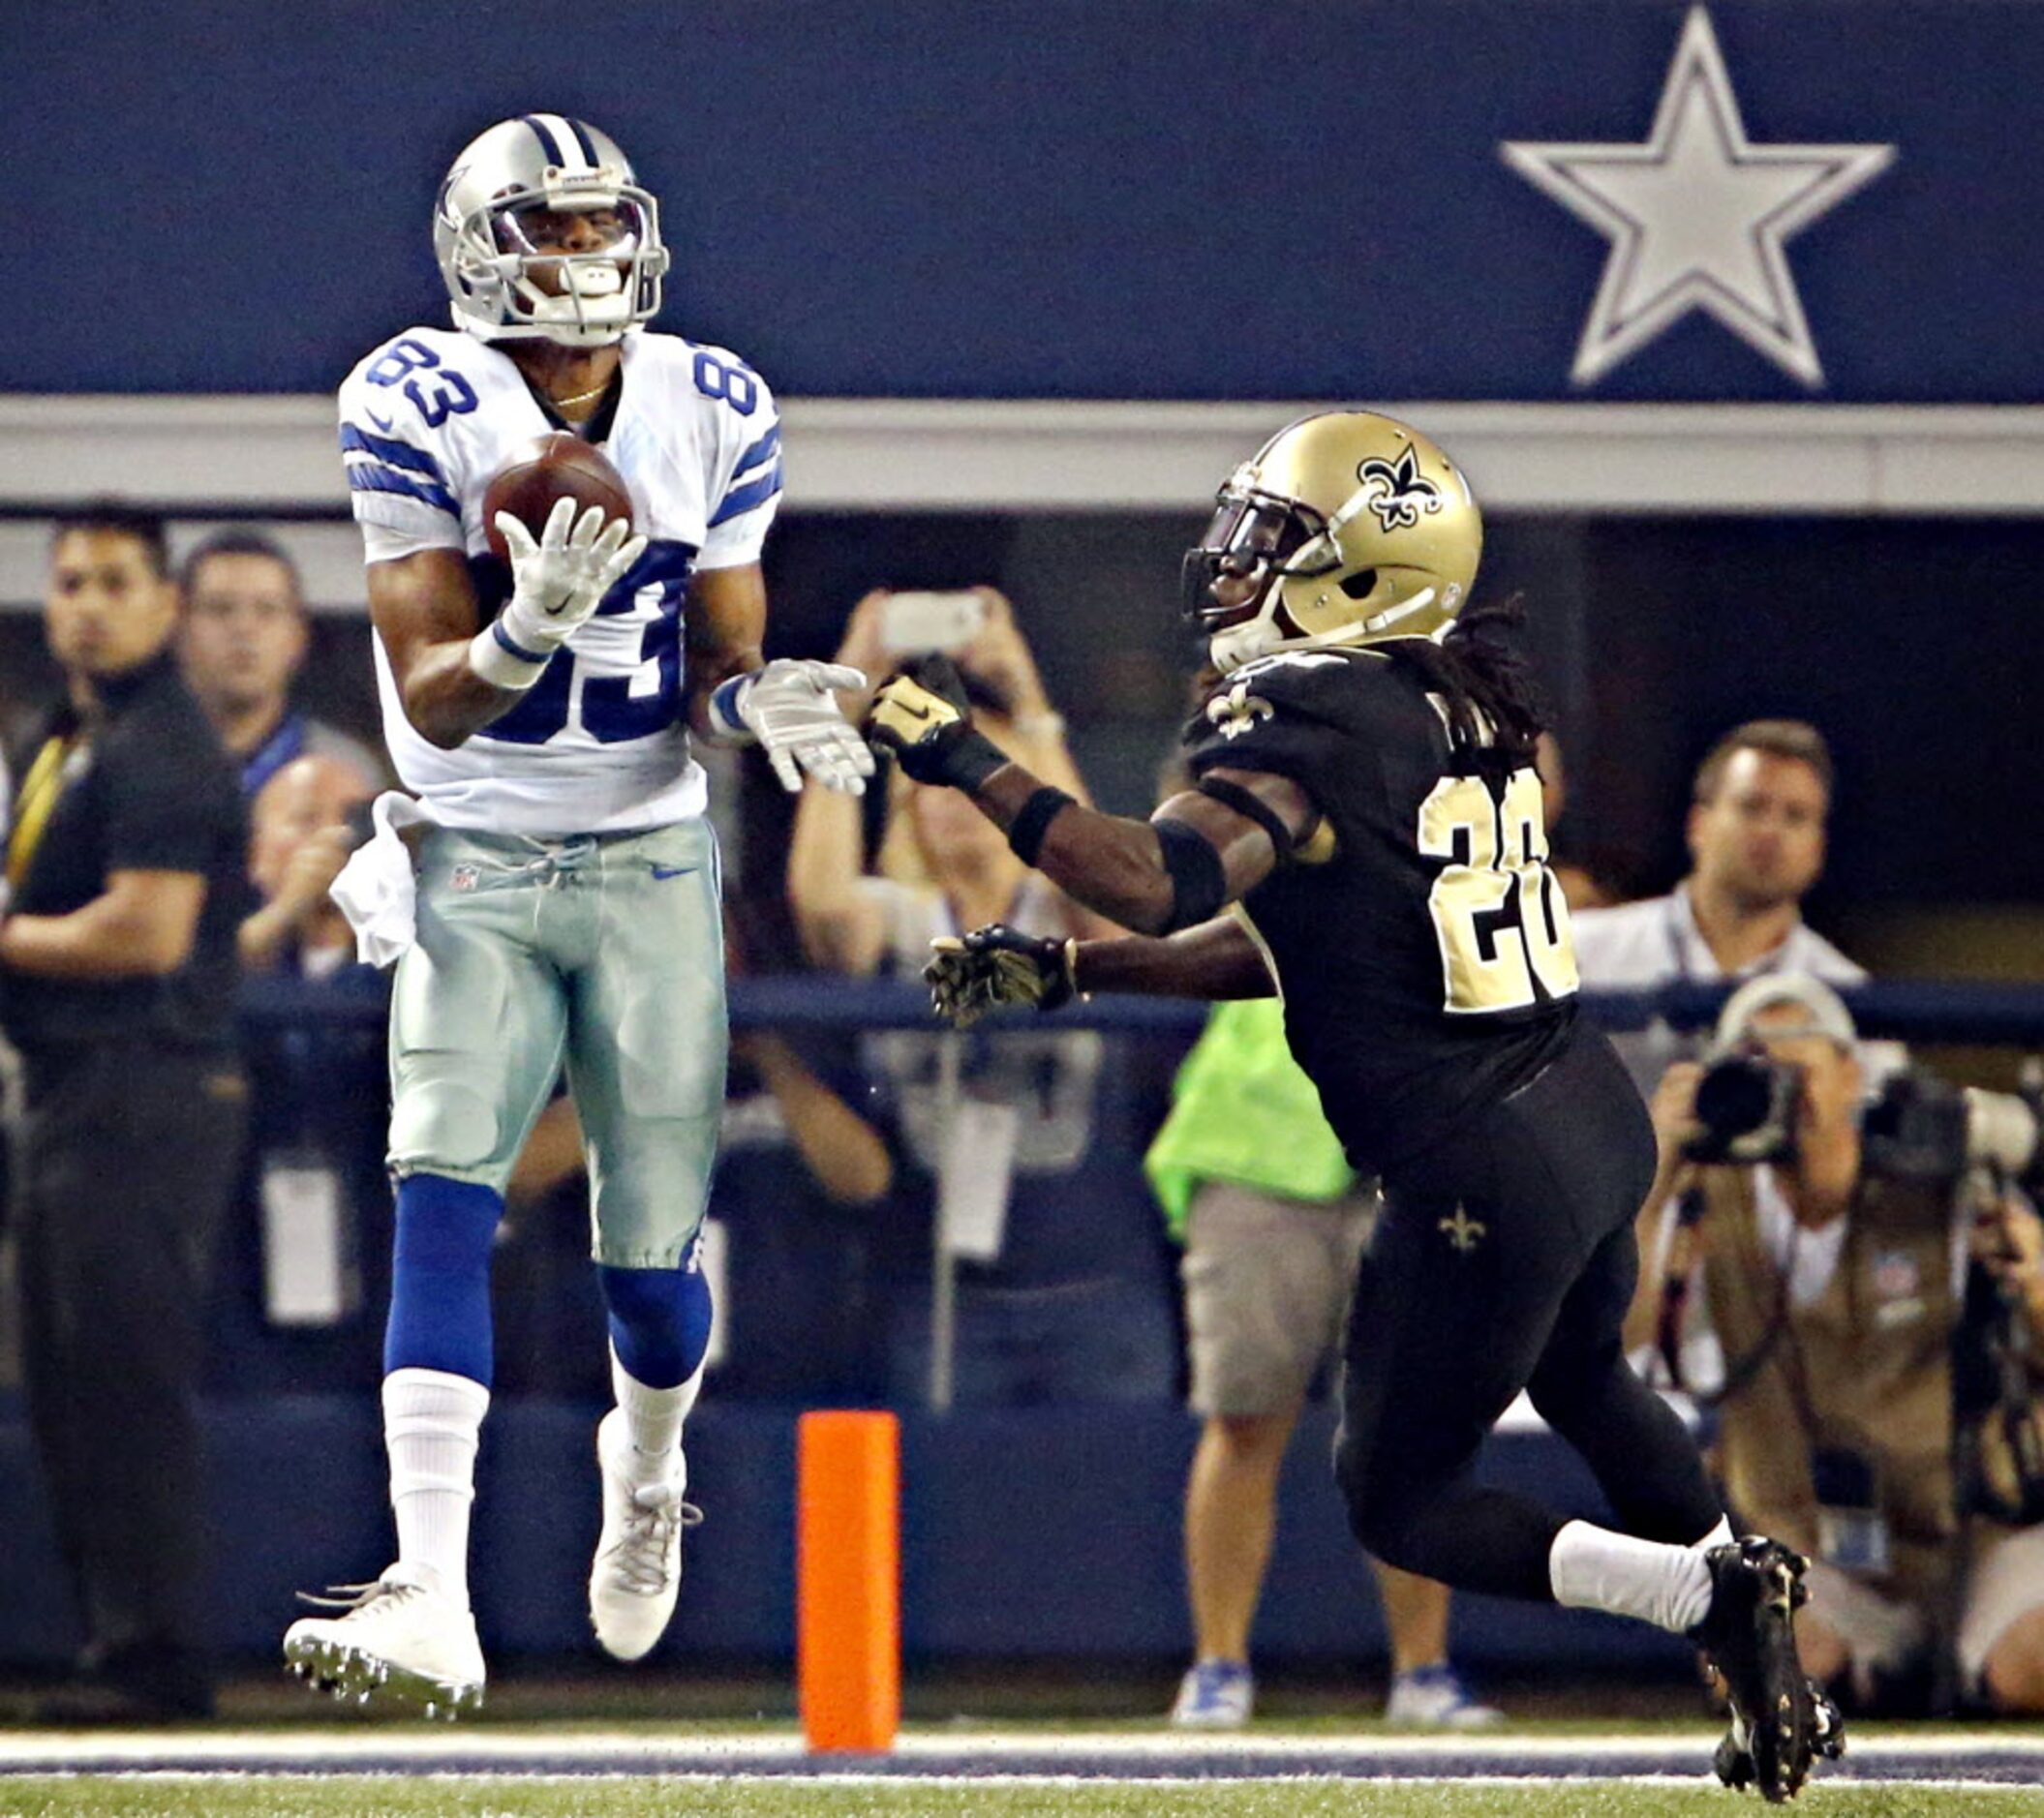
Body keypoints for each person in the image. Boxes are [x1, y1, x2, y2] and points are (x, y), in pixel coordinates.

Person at [875, 409, 1840, 1800]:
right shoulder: (1465, 694)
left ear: (1358, 570)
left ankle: (1705, 1602)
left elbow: (1158, 875)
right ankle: (1769, 1670)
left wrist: (966, 757)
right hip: (1578, 1110)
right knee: (1583, 1378)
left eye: (1273, 541)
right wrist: (1074, 970)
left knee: (1399, 1499)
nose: (1231, 564)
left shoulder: (1303, 719)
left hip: (1472, 1158)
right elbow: (1312, 942)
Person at [280, 113, 871, 1715]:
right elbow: (437, 698)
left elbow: (713, 676)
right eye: (549, 229)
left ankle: (648, 1454)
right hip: (473, 845)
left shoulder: (717, 401)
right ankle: (434, 1589)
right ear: (484, 247)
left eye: (604, 223)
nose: (585, 256)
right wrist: (530, 620)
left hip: (648, 859)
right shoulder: (411, 396)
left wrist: (767, 714)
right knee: (443, 1187)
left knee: (649, 1272)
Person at [789, 588, 1179, 1409]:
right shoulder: (902, 919)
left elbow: (1115, 905)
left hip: (1097, 1295)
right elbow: (822, 906)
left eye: (987, 780)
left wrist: (1030, 703)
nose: (962, 801)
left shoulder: (1060, 913)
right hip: (943, 1302)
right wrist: (849, 693)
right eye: (942, 778)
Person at [1629, 973, 2044, 1716]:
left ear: (1850, 1073)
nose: (1781, 1089)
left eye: (1798, 1065)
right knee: (1753, 1654)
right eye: (1756, 1065)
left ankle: (1935, 1669)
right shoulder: (1710, 1198)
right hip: (1813, 1539)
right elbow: (1622, 1338)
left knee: (2030, 1664)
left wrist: (2035, 1279)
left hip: (1976, 1526)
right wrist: (1656, 1170)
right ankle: (1880, 1676)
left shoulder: (1930, 1175)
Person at [4, 502, 249, 1721]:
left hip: (141, 1091)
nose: (86, 606)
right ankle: (115, 1639)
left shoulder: (163, 745)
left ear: (164, 604)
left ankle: (159, 1656)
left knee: (123, 1383)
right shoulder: (69, 736)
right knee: (66, 1380)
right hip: (67, 1094)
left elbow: (144, 932)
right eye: (68, 584)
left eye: (113, 582)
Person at [1148, 996, 1497, 1728]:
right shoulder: (1270, 881)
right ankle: (1216, 1668)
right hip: (1257, 1147)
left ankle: (1423, 1674)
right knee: (1242, 1419)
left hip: (1415, 1152)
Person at [1570, 720, 1896, 1094]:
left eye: (1795, 816)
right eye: (1752, 806)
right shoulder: (1579, 952)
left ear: (1818, 848)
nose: (1771, 831)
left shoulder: (1848, 998)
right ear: (1699, 824)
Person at [176, 528, 384, 795]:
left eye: (267, 610)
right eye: (220, 608)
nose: (244, 628)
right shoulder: (136, 764)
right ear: (180, 628)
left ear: (298, 636)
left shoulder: (346, 772)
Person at [238, 754, 375, 975]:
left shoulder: (406, 947)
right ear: (258, 849)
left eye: (353, 819)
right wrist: (284, 911)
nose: (337, 836)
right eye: (307, 819)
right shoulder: (218, 921)